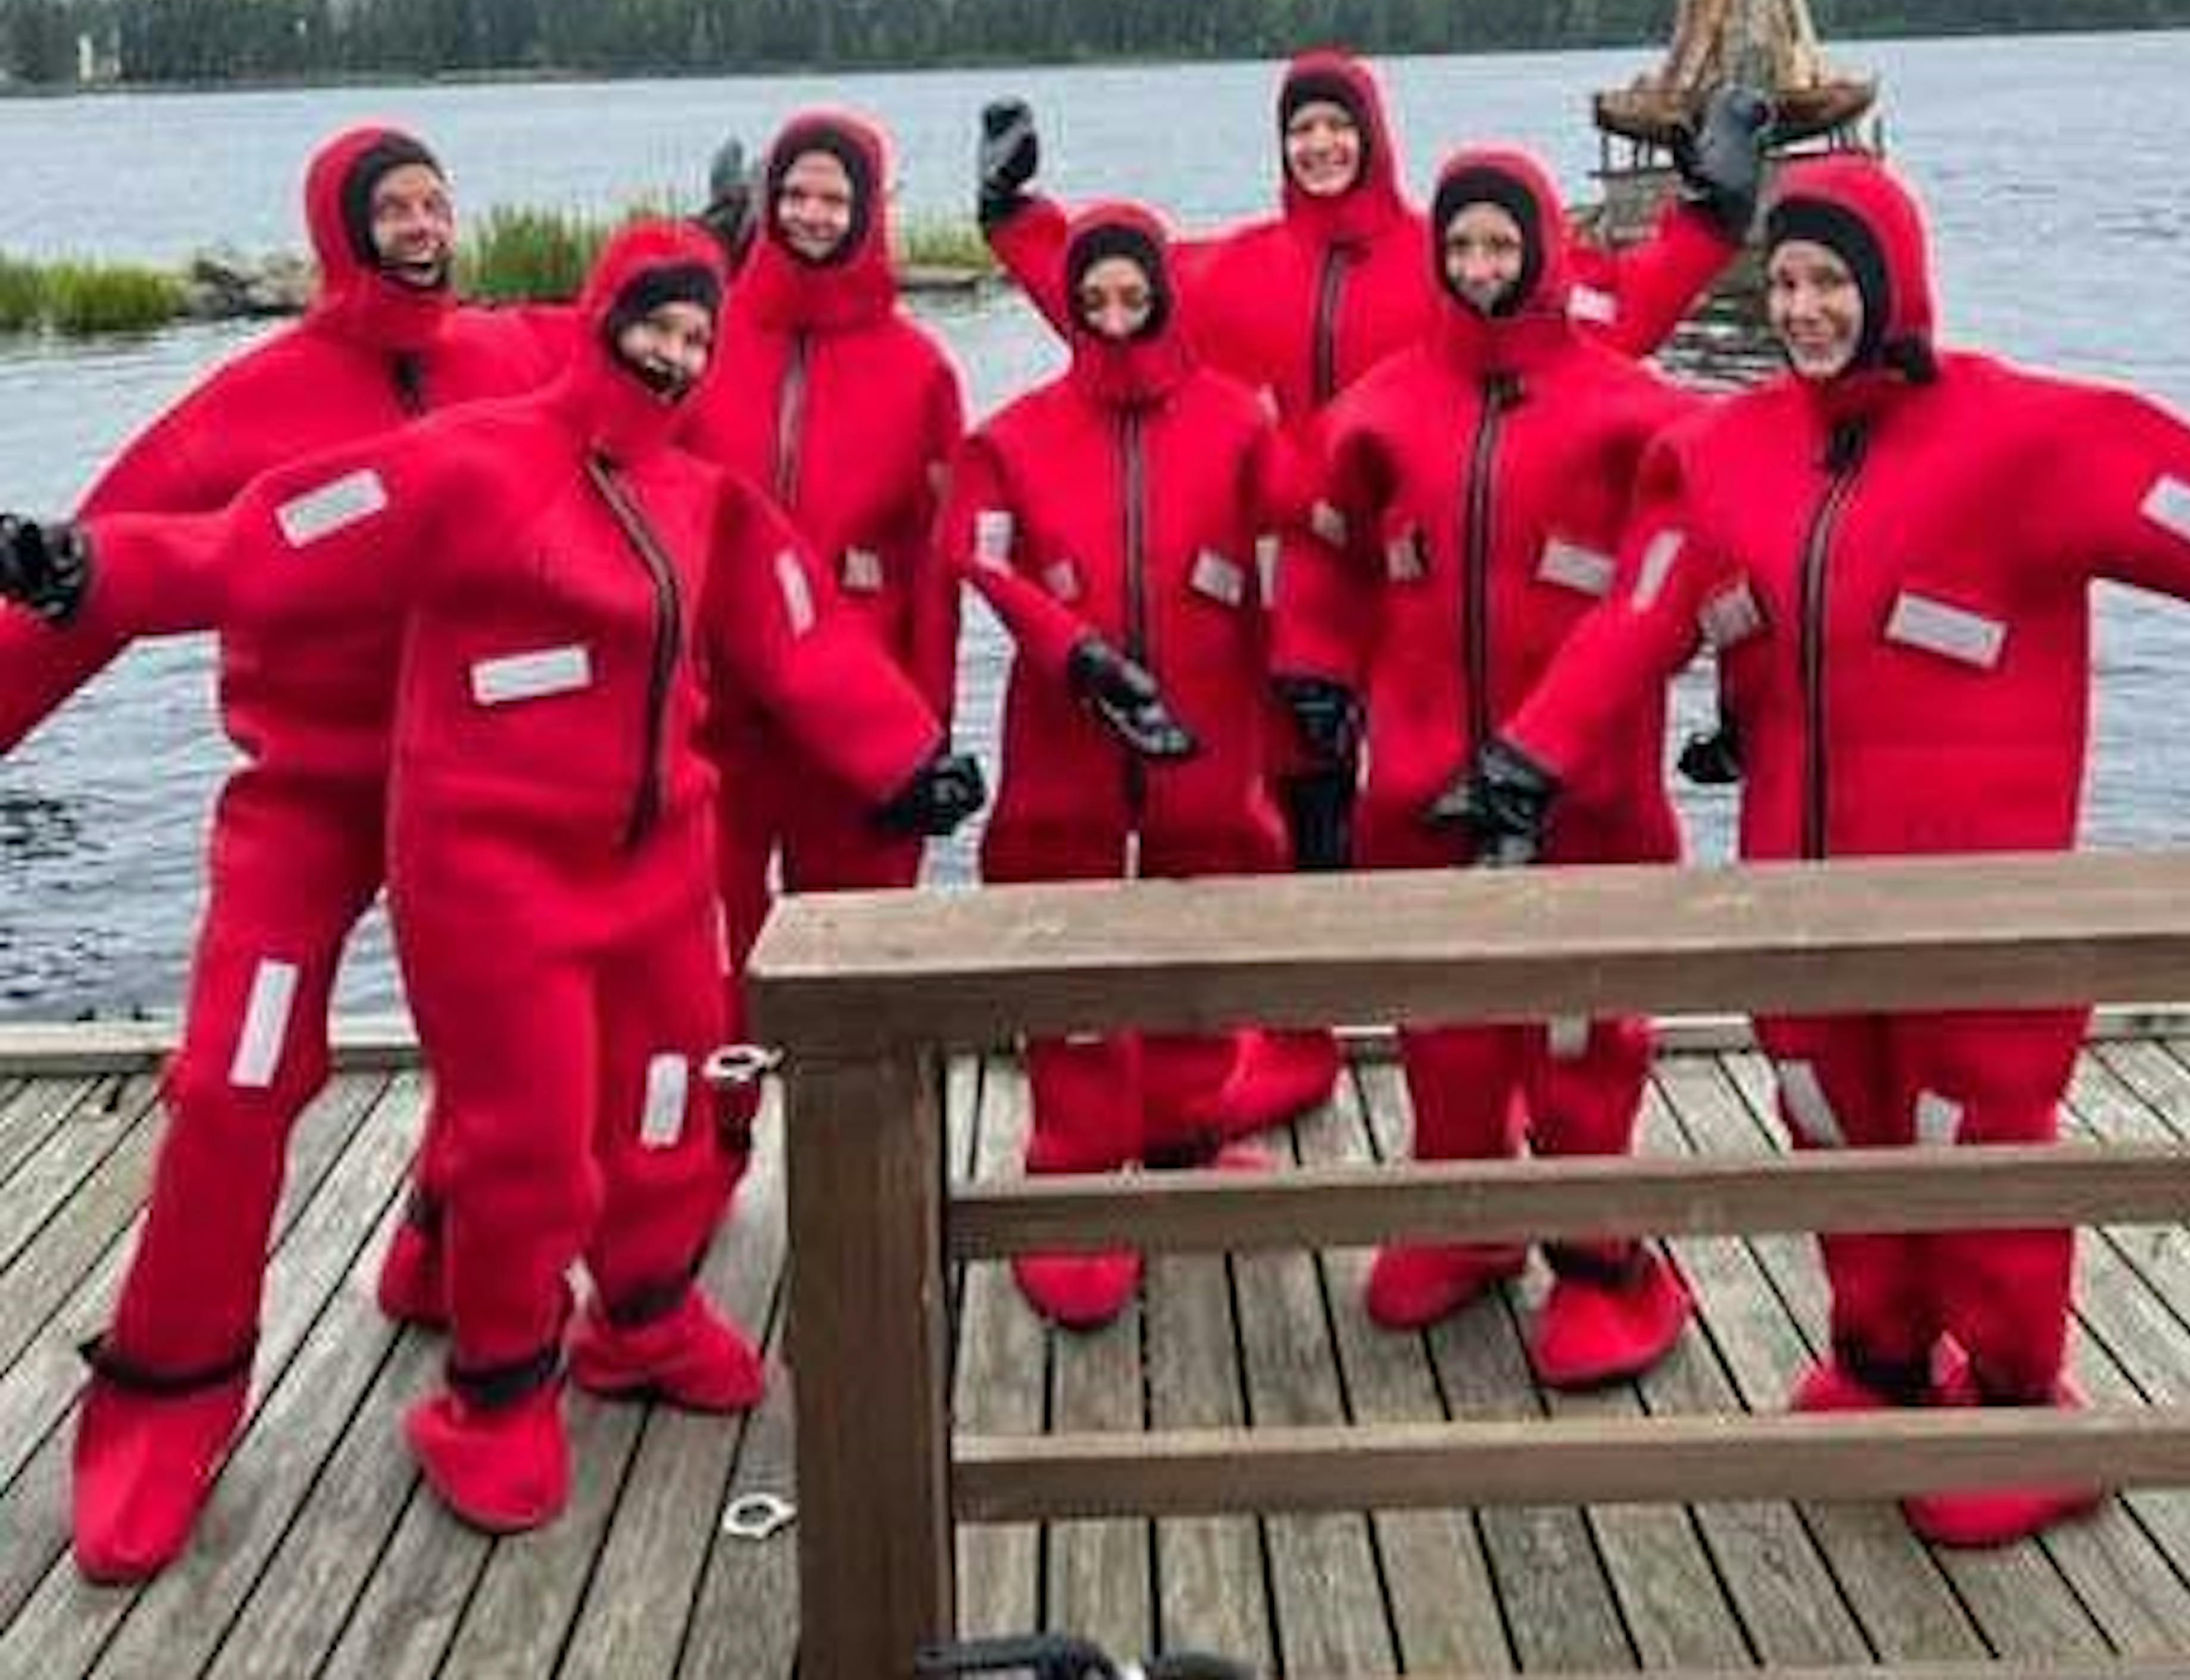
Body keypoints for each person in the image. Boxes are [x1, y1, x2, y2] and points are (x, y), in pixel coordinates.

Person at [2, 220, 983, 1538]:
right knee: (317, 1097)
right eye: (659, 328)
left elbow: (792, 615)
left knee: (660, 1097)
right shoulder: (457, 455)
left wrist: (905, 750)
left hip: (642, 858)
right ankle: (437, 1389)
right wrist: (93, 570)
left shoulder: (676, 478)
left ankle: (634, 1314)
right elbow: (266, 538)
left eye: (700, 335)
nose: (681, 354)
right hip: (419, 830)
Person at [1442, 152, 2190, 1547]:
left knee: (1976, 1138)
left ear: (1894, 284)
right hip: (1803, 887)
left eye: (1831, 279)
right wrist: (1528, 756)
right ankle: (1883, 1359)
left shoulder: (2032, 440)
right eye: (1782, 281)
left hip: (1978, 904)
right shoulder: (1731, 449)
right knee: (1832, 1119)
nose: (1804, 307)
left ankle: (2021, 1404)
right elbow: (1647, 608)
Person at [977, 59, 1764, 1128]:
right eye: (1302, 128)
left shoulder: (1443, 254)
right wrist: (1016, 219)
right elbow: (1115, 303)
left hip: (1418, 582)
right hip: (1294, 584)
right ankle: (1302, 1034)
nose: (1320, 146)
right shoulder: (1238, 271)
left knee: (1432, 817)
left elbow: (1604, 312)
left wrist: (1712, 220)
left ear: (1375, 135)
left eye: (1337, 126)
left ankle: (1511, 1059)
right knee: (1295, 810)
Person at [0, 123, 567, 1580]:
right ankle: (164, 1399)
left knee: (512, 1058)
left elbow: (667, 367)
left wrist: (734, 246)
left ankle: (443, 1255)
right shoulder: (250, 401)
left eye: (440, 201)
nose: (425, 226)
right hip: (305, 803)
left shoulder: (515, 356)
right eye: (395, 207)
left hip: (481, 796)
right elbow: (92, 575)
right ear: (341, 228)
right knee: (235, 1080)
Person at [1273, 145, 1699, 1382]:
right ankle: (1470, 1226)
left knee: (1580, 1040)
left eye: (1500, 246)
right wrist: (1313, 662)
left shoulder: (1637, 410)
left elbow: (1701, 568)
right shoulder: (1382, 406)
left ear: (1544, 254)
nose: (1478, 269)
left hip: (1586, 795)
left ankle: (1609, 1263)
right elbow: (1322, 542)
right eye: (1458, 248)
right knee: (1445, 1027)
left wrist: (1734, 696)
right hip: (1418, 786)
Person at [942, 202, 1285, 1328]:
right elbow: (975, 555)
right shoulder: (1015, 433)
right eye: (1093, 303)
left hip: (1209, 728)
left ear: (1167, 299)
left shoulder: (1244, 420)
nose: (1115, 319)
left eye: (1135, 298)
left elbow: (1296, 550)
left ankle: (1186, 1131)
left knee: (1208, 917)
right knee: (1067, 933)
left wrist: (1317, 672)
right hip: (1066, 734)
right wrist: (1073, 651)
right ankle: (1078, 1167)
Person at [680, 111, 964, 1185]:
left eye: (833, 199)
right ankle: (714, 1151)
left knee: (858, 959)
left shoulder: (918, 368)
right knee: (709, 956)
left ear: (867, 215)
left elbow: (936, 573)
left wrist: (923, 734)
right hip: (718, 717)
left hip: (862, 722)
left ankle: (864, 1177)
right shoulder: (705, 337)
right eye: (792, 193)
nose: (810, 214)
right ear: (764, 203)